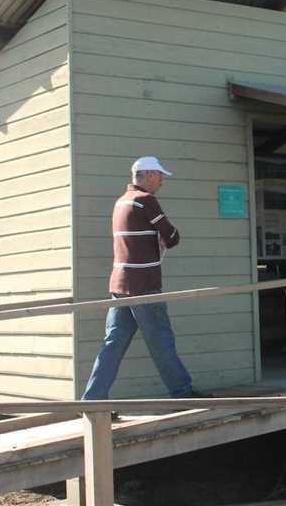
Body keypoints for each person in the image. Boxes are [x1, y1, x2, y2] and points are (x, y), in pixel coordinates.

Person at [82, 156, 202, 400]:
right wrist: (160, 239)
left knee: (113, 344)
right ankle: (183, 394)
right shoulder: (146, 200)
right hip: (144, 284)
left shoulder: (121, 202)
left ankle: (93, 399)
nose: (161, 182)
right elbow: (172, 236)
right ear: (148, 175)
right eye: (159, 176)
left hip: (120, 284)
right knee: (161, 341)